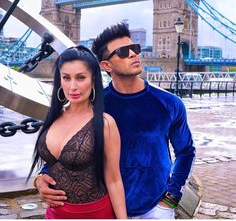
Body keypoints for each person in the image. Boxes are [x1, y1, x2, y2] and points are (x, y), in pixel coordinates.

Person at [34, 23, 195, 219]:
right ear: (106, 65)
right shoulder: (94, 105)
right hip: (106, 207)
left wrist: (170, 198)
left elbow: (186, 152)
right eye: (123, 52)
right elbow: (64, 144)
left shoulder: (169, 103)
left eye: (135, 48)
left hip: (154, 209)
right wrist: (42, 176)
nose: (134, 54)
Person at [28, 45, 127, 219]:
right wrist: (38, 180)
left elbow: (114, 180)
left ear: (93, 79)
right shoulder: (53, 117)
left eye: (81, 78)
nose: (72, 86)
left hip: (94, 213)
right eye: (66, 78)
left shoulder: (105, 123)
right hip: (54, 214)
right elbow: (52, 165)